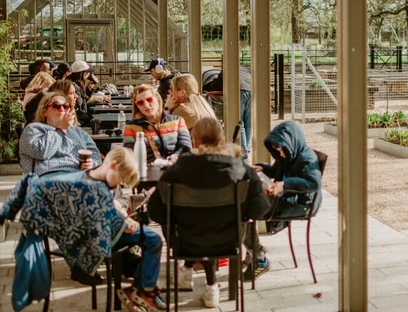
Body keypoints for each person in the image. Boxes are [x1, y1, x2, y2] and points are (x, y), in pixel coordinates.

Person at [148, 118, 270, 307]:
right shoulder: (241, 170)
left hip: (185, 243)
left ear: (194, 142)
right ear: (222, 141)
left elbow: (155, 212)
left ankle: (187, 272)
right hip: (229, 241)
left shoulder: (175, 172)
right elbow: (260, 209)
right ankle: (212, 287)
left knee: (184, 220)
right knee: (215, 220)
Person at [82, 147, 167, 312]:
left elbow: (122, 198)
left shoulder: (111, 180)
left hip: (118, 228)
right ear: (113, 166)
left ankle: (141, 289)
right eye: (121, 178)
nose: (120, 183)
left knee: (153, 240)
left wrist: (120, 204)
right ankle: (141, 291)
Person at [244, 121, 322, 281]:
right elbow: (277, 170)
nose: (280, 154)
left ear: (290, 144)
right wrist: (264, 168)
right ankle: (255, 250)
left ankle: (258, 256)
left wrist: (285, 185)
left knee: (245, 211)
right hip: (288, 198)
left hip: (299, 204)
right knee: (245, 207)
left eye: (281, 150)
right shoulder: (289, 154)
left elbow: (314, 183)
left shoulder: (307, 159)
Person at [19, 91, 101, 176]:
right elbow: (41, 152)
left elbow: (95, 154)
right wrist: (61, 129)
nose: (62, 109)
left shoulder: (79, 132)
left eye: (66, 106)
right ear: (44, 111)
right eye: (56, 106)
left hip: (79, 174)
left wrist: (92, 163)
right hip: (48, 176)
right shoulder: (33, 129)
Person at [123, 84, 192, 163]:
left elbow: (186, 147)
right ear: (136, 106)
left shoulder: (177, 120)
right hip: (147, 170)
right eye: (140, 103)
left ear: (157, 98)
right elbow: (128, 154)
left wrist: (172, 159)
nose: (146, 105)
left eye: (149, 99)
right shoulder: (131, 127)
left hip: (175, 168)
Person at [203, 66, 252, 153]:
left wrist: (210, 90)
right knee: (248, 124)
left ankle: (244, 149)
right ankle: (247, 147)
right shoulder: (247, 70)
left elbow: (216, 85)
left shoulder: (227, 69)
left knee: (240, 122)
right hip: (251, 92)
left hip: (239, 93)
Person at [69, 60, 98, 125]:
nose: (89, 74)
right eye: (87, 72)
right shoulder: (74, 86)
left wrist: (88, 89)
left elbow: (83, 102)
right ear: (81, 73)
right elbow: (79, 105)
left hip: (80, 117)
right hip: (79, 119)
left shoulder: (78, 84)